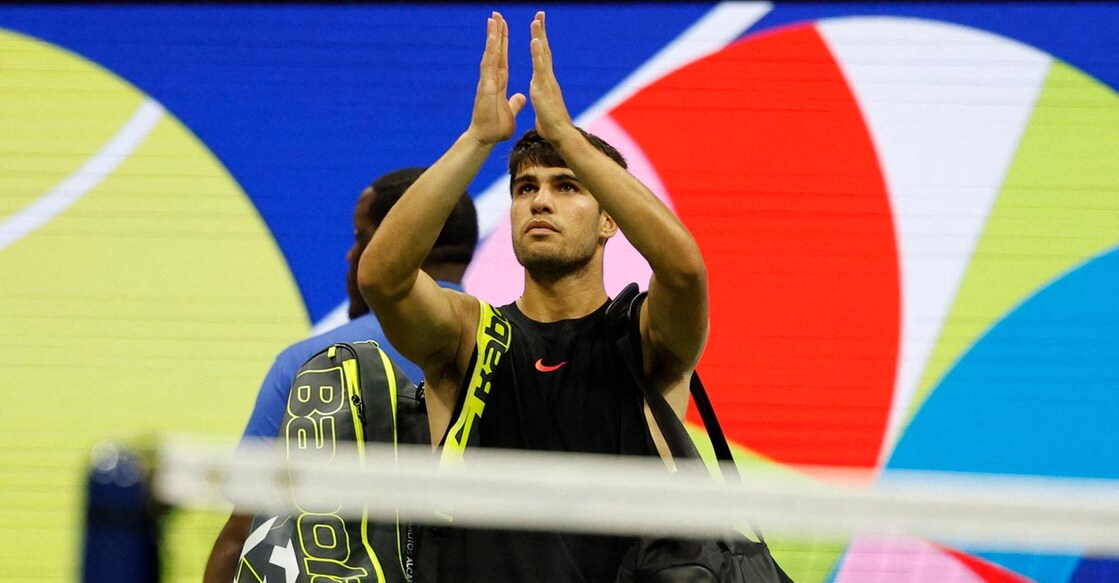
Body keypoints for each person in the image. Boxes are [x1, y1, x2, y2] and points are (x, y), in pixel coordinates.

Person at [357, 12, 708, 582]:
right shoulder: (470, 334)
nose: (539, 201)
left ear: (607, 221)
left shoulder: (646, 337)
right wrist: (477, 142)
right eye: (525, 188)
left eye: (566, 186)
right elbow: (384, 277)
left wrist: (568, 136)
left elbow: (685, 270)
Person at [202, 167, 478, 583]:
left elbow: (242, 535)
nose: (351, 256)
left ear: (395, 241)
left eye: (360, 238)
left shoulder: (308, 362)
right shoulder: (513, 353)